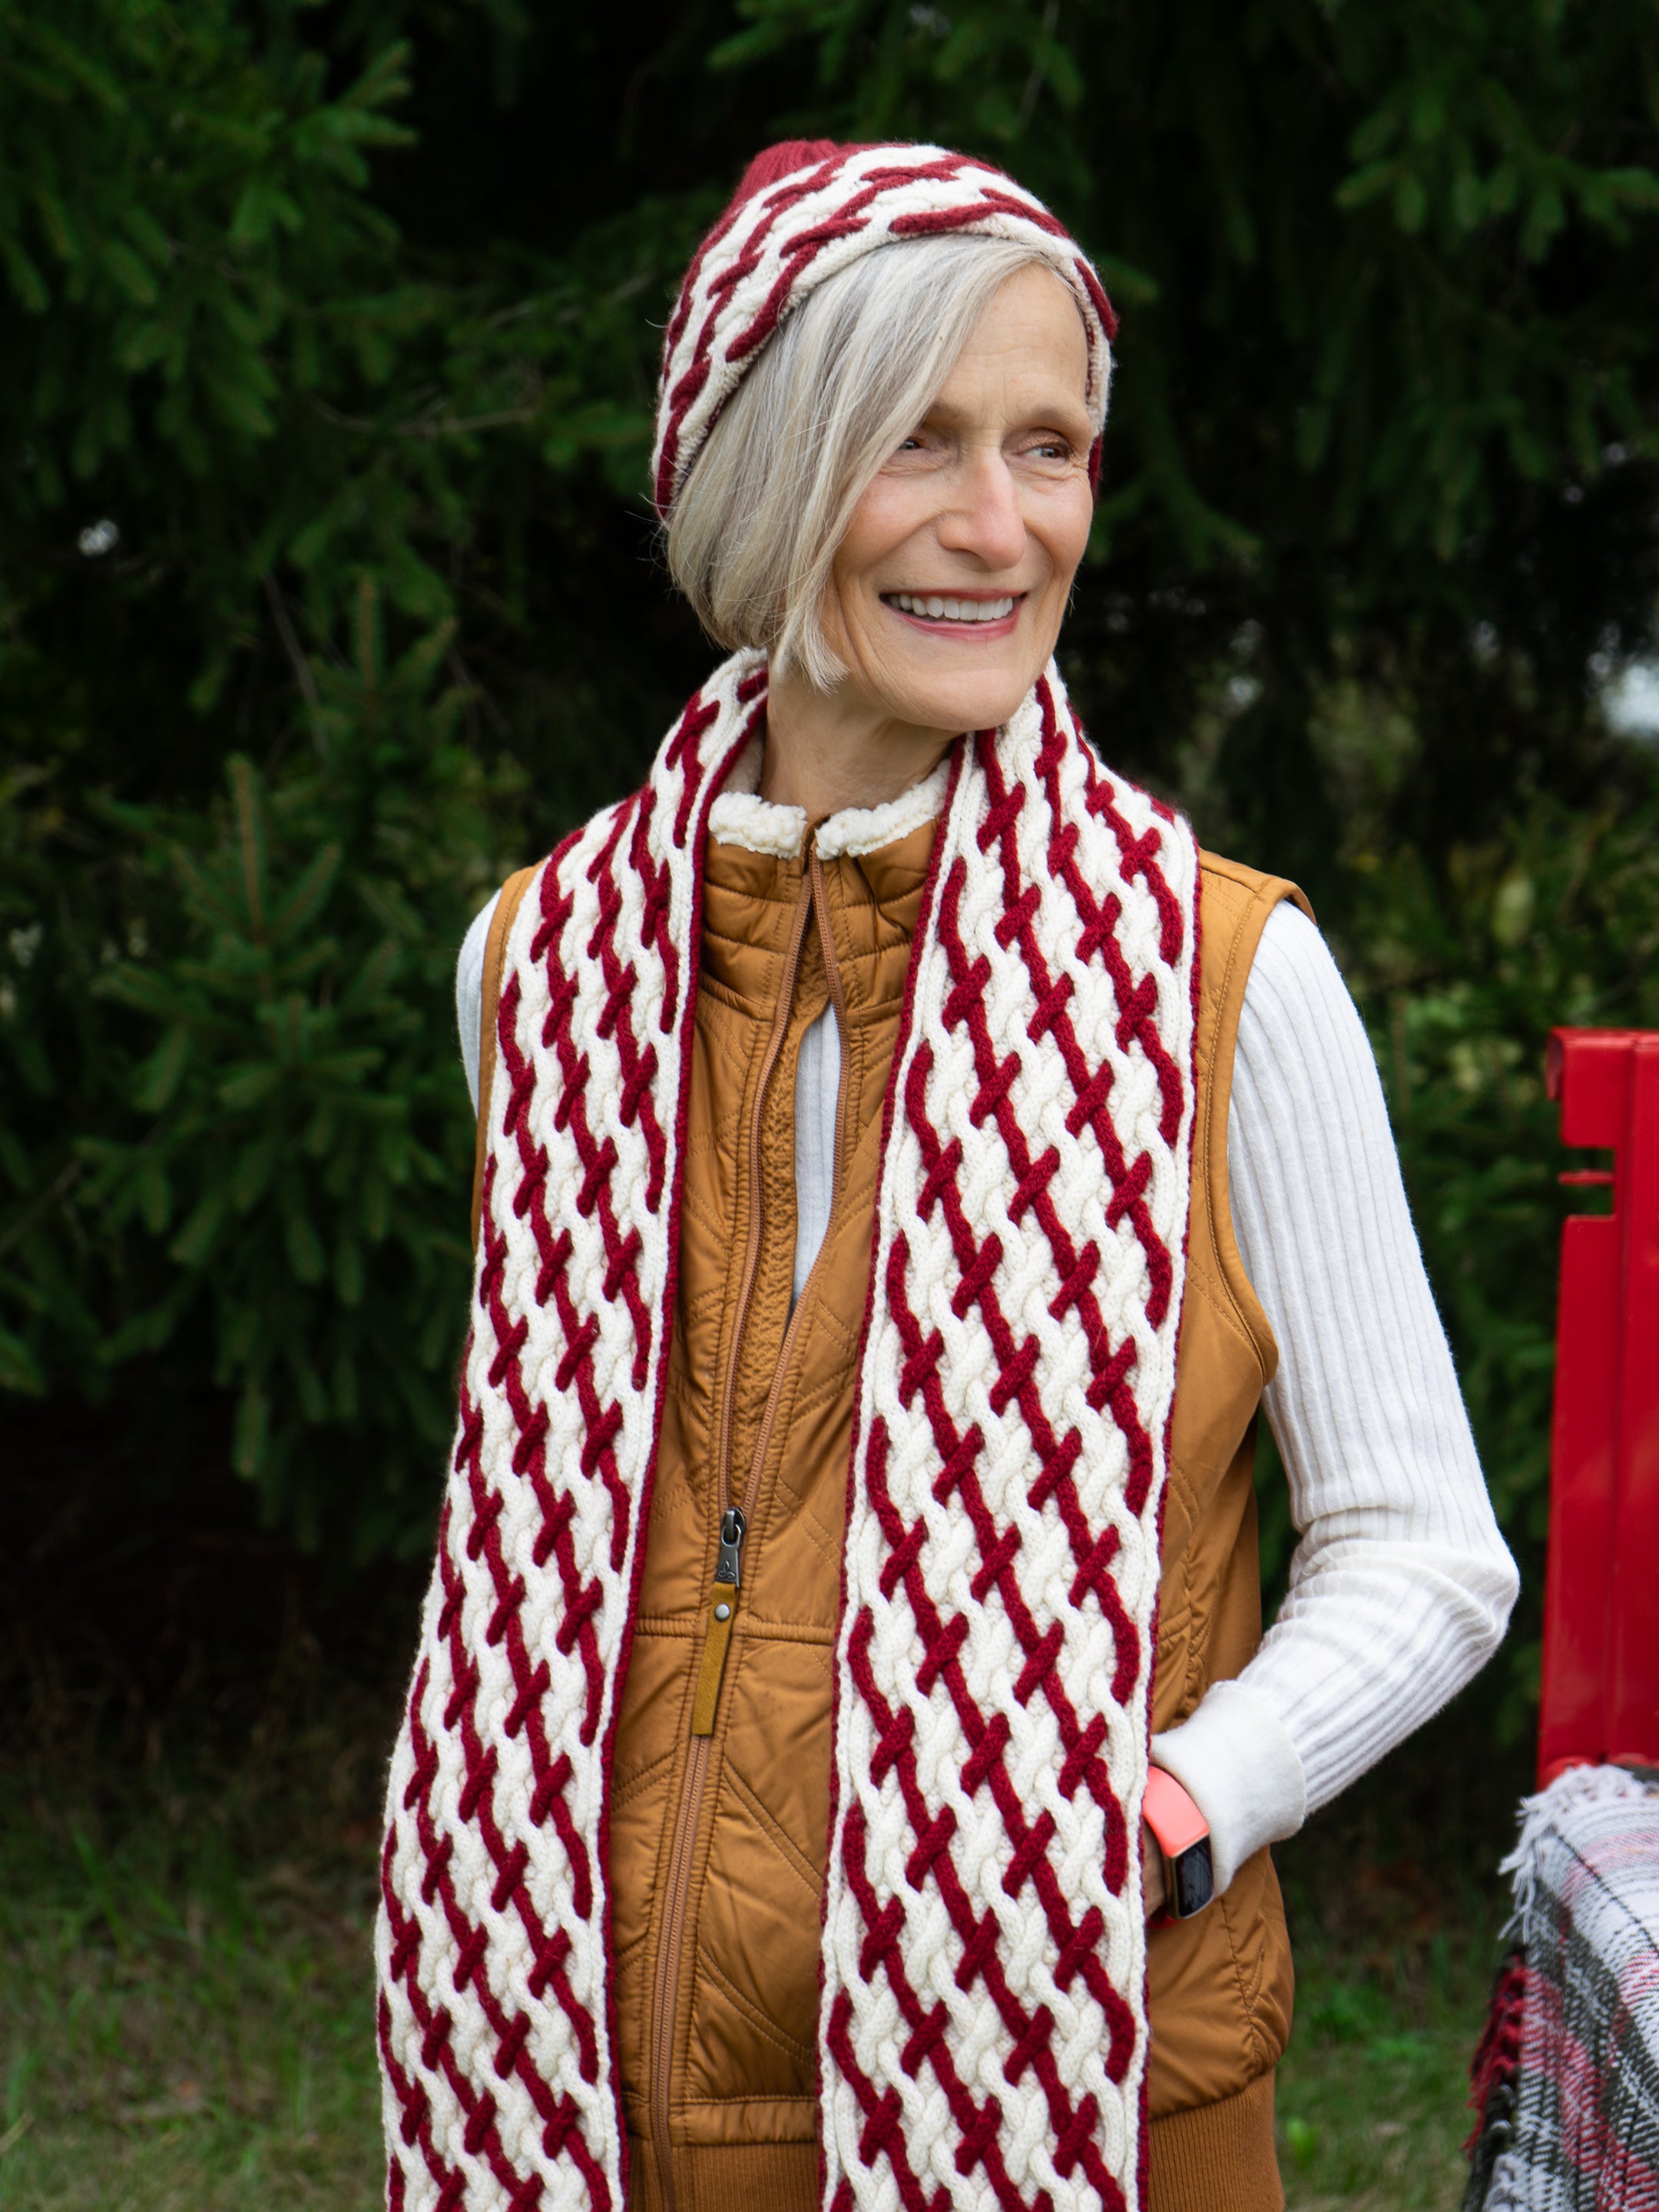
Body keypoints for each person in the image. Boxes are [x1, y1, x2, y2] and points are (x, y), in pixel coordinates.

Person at [376, 141, 1518, 2212]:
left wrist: (1164, 1820)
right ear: (766, 475)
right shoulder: (532, 966)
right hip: (594, 2107)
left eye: (1053, 446)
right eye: (920, 440)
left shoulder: (1226, 977)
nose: (1003, 527)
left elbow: (1425, 1555)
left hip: (1090, 2093)